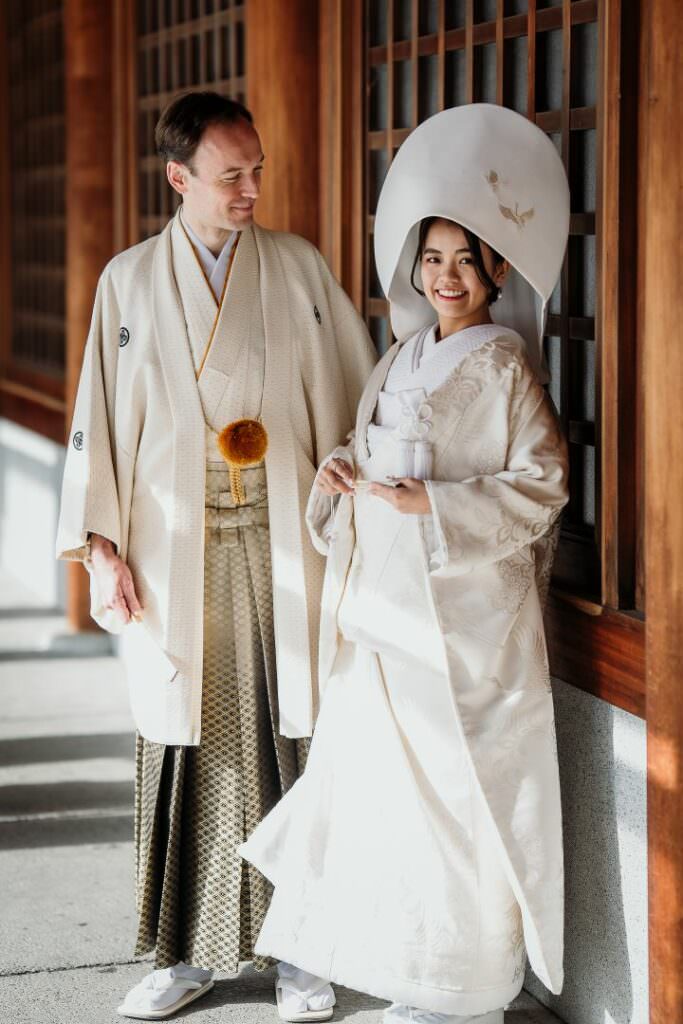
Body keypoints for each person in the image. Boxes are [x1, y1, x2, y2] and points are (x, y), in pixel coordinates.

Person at [241, 104, 570, 1024]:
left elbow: (541, 485)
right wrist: (342, 473)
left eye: (465, 260)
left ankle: (462, 988)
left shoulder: (505, 368)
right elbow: (357, 452)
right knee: (387, 801)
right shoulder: (395, 359)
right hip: (382, 610)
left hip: (456, 624)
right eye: (432, 259)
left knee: (456, 795)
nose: (447, 276)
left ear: (496, 270)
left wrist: (434, 504)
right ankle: (407, 973)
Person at [56, 90, 376, 1020]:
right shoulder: (127, 280)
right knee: (184, 744)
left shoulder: (298, 268)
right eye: (230, 176)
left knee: (293, 734)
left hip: (286, 538)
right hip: (174, 548)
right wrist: (103, 548)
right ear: (178, 178)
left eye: (257, 171)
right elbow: (99, 421)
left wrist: (360, 477)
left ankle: (303, 953)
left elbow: (354, 397)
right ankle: (179, 955)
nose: (249, 190)